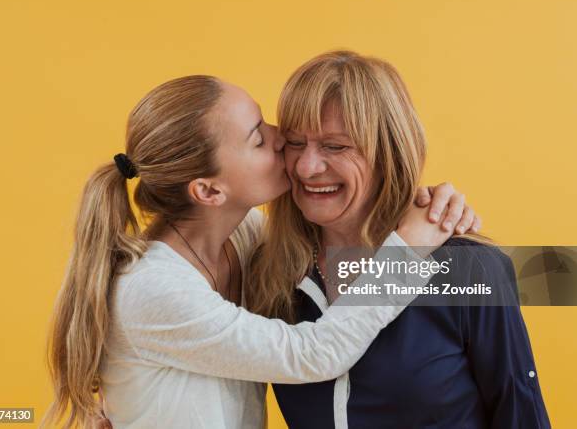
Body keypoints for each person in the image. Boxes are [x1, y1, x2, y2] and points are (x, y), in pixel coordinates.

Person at [42, 75, 479, 428]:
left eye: (263, 120)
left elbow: (345, 233)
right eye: (256, 138)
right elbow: (314, 353)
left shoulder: (244, 237)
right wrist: (408, 249)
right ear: (209, 190)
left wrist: (427, 206)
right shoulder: (155, 289)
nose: (280, 137)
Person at [247, 50, 551, 428]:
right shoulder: (269, 274)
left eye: (336, 146)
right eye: (294, 143)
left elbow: (521, 414)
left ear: (388, 151)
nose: (307, 167)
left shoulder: (470, 270)